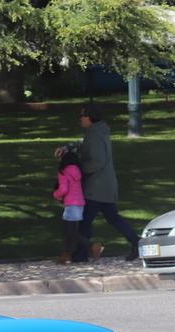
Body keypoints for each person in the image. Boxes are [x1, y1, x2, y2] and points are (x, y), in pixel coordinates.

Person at [54, 102, 140, 262]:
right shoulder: (97, 132)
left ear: (88, 118)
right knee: (112, 217)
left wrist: (78, 170)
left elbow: (97, 163)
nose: (80, 119)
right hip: (105, 185)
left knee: (86, 220)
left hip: (96, 187)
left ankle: (81, 253)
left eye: (81, 115)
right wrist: (68, 147)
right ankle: (137, 243)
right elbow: (82, 143)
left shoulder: (93, 135)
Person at [52, 149, 102, 263]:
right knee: (65, 229)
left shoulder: (63, 171)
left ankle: (95, 247)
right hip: (79, 203)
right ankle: (66, 254)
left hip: (71, 204)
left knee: (71, 231)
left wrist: (55, 195)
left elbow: (63, 189)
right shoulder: (78, 171)